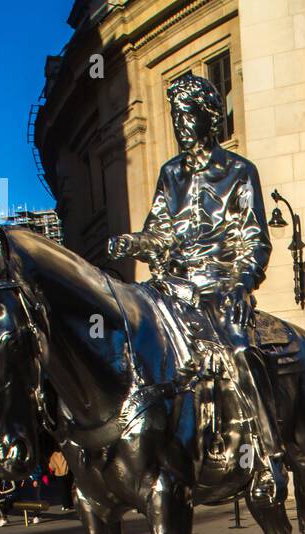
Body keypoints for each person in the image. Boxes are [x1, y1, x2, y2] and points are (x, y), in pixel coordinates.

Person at [107, 72, 285, 507]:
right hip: (174, 289)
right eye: (175, 117)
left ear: (209, 117)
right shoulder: (171, 174)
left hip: (221, 289)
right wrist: (135, 242)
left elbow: (253, 239)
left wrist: (241, 286)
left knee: (240, 351)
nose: (181, 125)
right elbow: (160, 233)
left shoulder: (239, 171)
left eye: (188, 115)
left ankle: (267, 456)